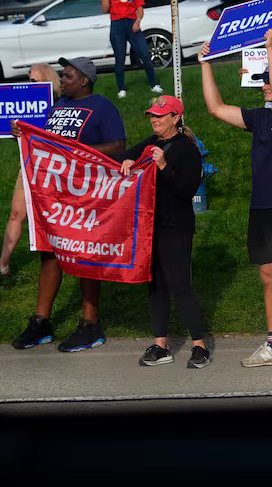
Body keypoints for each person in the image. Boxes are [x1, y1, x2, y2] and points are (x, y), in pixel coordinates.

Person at [201, 29, 272, 370]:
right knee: (268, 274)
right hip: (260, 206)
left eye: (269, 79)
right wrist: (205, 63)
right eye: (262, 79)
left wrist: (270, 48)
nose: (265, 84)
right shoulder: (260, 117)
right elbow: (216, 108)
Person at [10, 57, 125, 352]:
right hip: (54, 195)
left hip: (86, 195)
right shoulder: (58, 107)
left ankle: (90, 324)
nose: (62, 79)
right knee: (49, 253)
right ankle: (41, 323)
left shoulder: (103, 107)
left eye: (68, 75)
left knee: (84, 253)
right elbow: (48, 144)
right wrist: (24, 137)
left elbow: (118, 146)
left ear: (84, 80)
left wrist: (76, 153)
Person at [119, 96, 210, 369]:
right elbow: (125, 154)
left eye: (160, 115)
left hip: (176, 225)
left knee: (180, 284)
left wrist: (163, 167)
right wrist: (126, 159)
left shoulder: (187, 150)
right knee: (155, 285)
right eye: (152, 115)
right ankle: (161, 345)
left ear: (176, 117)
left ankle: (200, 346)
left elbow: (186, 191)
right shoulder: (150, 144)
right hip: (150, 226)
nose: (154, 119)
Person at [0, 62, 60, 279]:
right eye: (28, 79)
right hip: (27, 166)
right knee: (16, 213)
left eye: (34, 80)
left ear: (47, 80)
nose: (29, 84)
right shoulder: (24, 103)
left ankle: (71, 258)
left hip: (54, 169)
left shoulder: (60, 105)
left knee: (57, 217)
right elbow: (21, 135)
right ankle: (2, 264)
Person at [100, 0, 162, 99]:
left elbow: (140, 9)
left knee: (145, 55)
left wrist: (138, 21)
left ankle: (154, 85)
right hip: (117, 25)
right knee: (120, 58)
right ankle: (121, 89)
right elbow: (104, 9)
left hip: (132, 24)